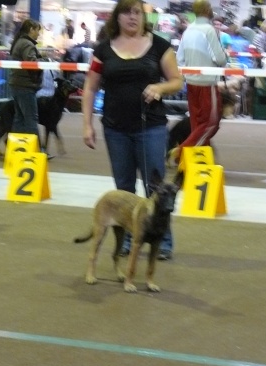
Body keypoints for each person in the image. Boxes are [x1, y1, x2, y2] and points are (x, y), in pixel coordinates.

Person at [82, 0, 182, 260]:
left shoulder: (160, 46)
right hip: (115, 129)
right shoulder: (103, 50)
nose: (132, 17)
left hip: (151, 128)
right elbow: (90, 88)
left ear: (143, 16)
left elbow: (176, 80)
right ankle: (129, 238)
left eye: (136, 12)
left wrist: (160, 88)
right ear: (118, 17)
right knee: (124, 189)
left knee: (156, 188)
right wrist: (86, 124)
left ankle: (163, 241)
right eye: (126, 12)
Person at [173, 0, 228, 163]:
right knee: (211, 123)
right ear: (205, 10)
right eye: (210, 7)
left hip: (191, 84)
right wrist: (224, 56)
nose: (212, 10)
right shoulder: (209, 30)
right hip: (207, 84)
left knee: (197, 125)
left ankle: (200, 161)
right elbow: (220, 59)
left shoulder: (188, 30)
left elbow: (179, 59)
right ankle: (181, 152)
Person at [8, 19, 43, 136]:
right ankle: (36, 150)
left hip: (17, 84)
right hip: (25, 85)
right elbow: (33, 64)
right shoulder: (27, 44)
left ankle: (17, 149)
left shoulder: (19, 42)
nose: (39, 33)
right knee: (31, 119)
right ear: (31, 29)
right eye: (38, 30)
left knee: (20, 118)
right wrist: (45, 61)